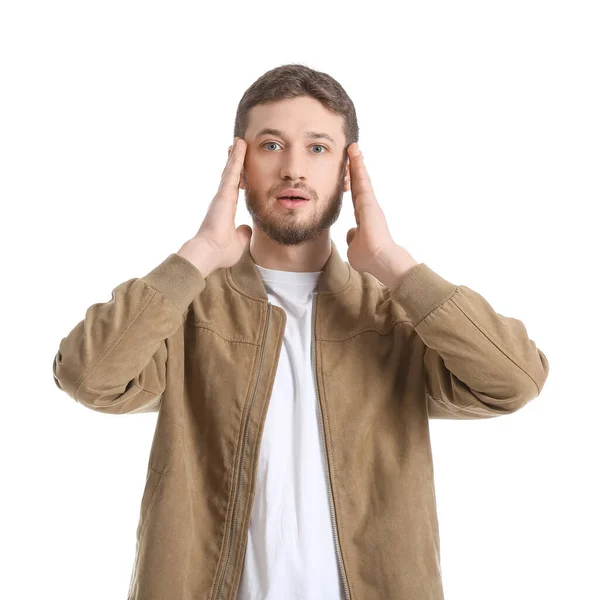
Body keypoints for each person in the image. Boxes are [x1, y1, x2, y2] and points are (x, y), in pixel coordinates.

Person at [52, 64, 550, 600]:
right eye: (270, 145)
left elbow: (515, 380)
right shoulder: (186, 311)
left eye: (317, 148)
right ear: (239, 166)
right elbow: (88, 376)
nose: (293, 169)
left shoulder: (395, 315)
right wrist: (196, 256)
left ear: (346, 170)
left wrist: (392, 263)